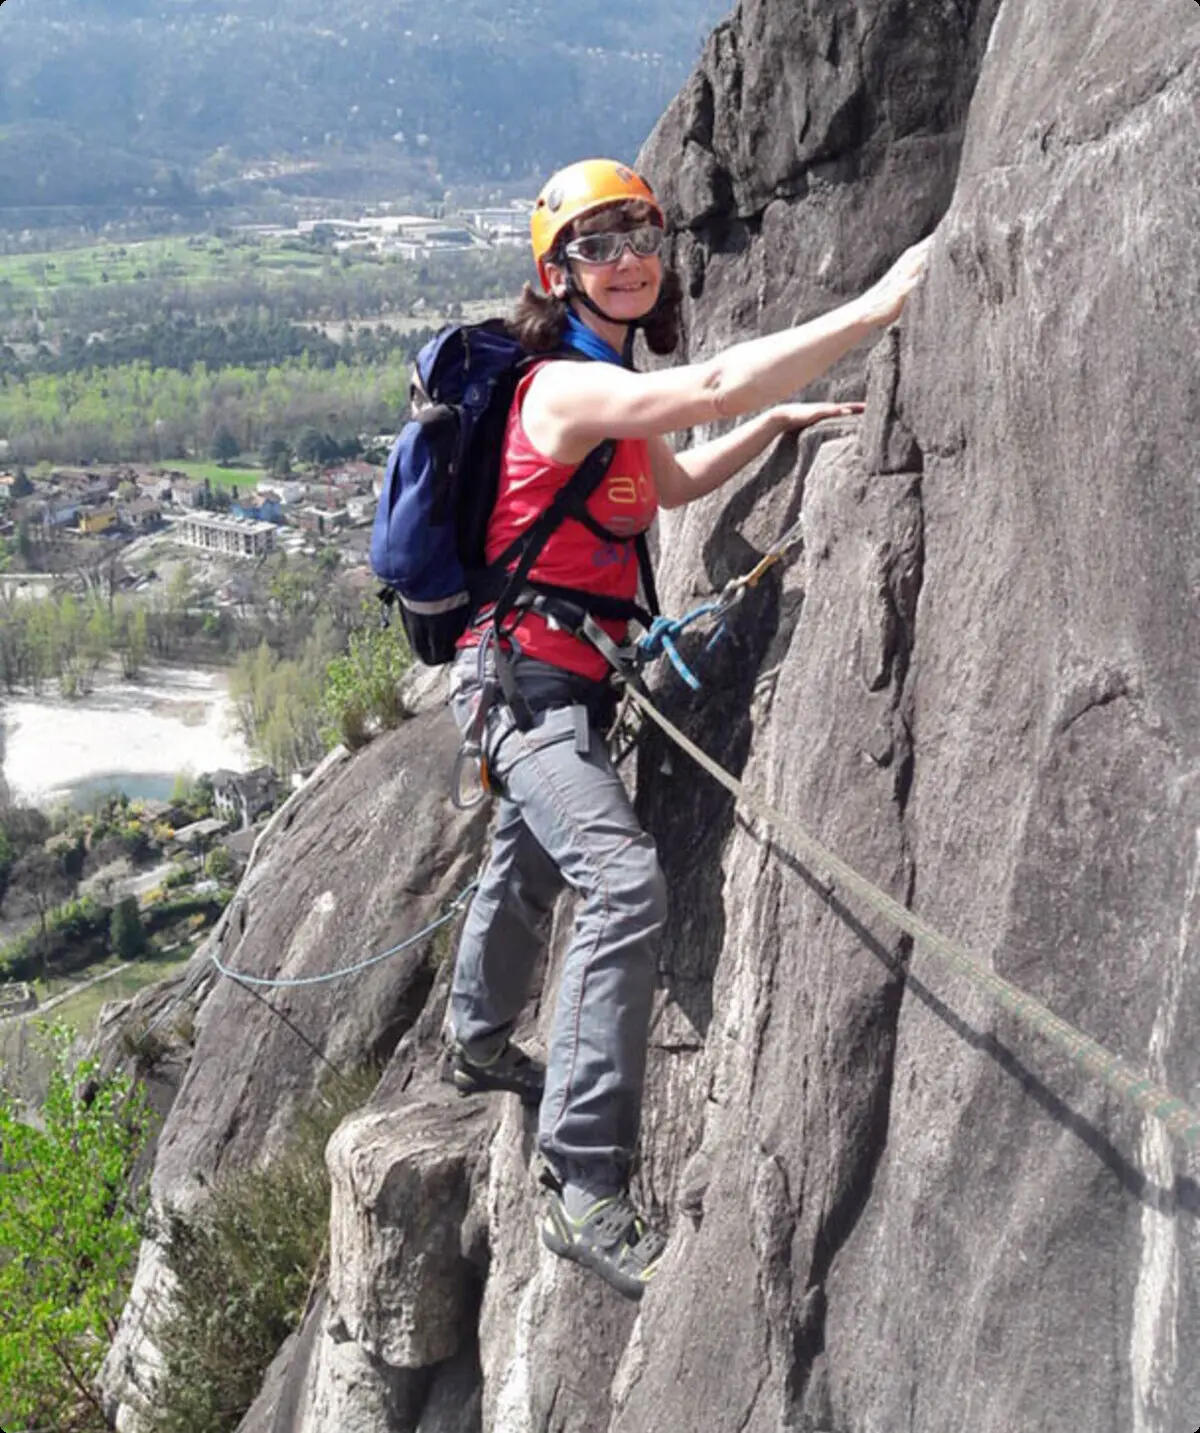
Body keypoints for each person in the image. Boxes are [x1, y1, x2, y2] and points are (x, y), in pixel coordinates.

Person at [446, 158, 929, 1300]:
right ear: (558, 274)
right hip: (522, 683)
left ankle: (473, 1034)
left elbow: (669, 479)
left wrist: (779, 426)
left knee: (524, 860)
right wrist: (872, 311)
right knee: (619, 881)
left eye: (641, 235)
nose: (628, 259)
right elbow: (706, 383)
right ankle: (580, 1179)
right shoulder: (560, 389)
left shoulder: (605, 385)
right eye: (600, 244)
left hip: (556, 685)